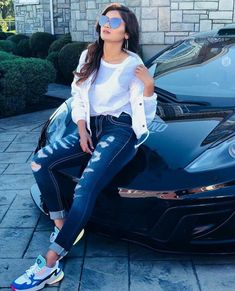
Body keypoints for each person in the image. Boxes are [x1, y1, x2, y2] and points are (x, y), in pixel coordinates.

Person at [11, 3, 157, 291]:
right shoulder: (89, 55)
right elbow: (78, 96)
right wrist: (81, 130)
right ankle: (63, 225)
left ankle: (50, 263)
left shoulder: (133, 64)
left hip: (121, 130)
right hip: (91, 126)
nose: (106, 24)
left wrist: (149, 86)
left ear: (127, 31)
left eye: (115, 22)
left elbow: (144, 113)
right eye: (104, 19)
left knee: (85, 187)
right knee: (40, 162)